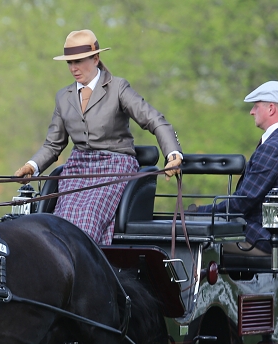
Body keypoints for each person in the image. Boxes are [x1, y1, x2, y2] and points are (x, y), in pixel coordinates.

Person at [14, 29, 183, 245]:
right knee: (59, 221)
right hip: (77, 167)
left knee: (88, 216)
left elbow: (155, 120)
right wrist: (32, 165)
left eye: (79, 61)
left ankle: (84, 270)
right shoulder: (63, 97)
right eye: (69, 63)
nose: (73, 68)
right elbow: (53, 144)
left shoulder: (118, 88)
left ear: (96, 59)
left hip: (115, 165)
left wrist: (173, 154)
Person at [191, 81, 278, 255]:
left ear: (271, 109)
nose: (252, 111)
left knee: (191, 235)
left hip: (273, 240)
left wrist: (199, 212)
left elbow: (242, 202)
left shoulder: (274, 147)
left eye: (256, 106)